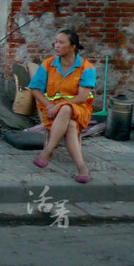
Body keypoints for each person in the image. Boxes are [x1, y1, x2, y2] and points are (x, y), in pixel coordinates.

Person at [28, 29, 95, 184]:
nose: (56, 46)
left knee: (66, 109)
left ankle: (47, 152)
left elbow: (82, 97)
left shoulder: (87, 67)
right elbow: (34, 89)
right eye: (56, 42)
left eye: (61, 42)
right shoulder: (48, 64)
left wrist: (59, 106)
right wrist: (49, 105)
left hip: (80, 109)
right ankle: (82, 168)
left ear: (72, 47)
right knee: (70, 125)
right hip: (52, 111)